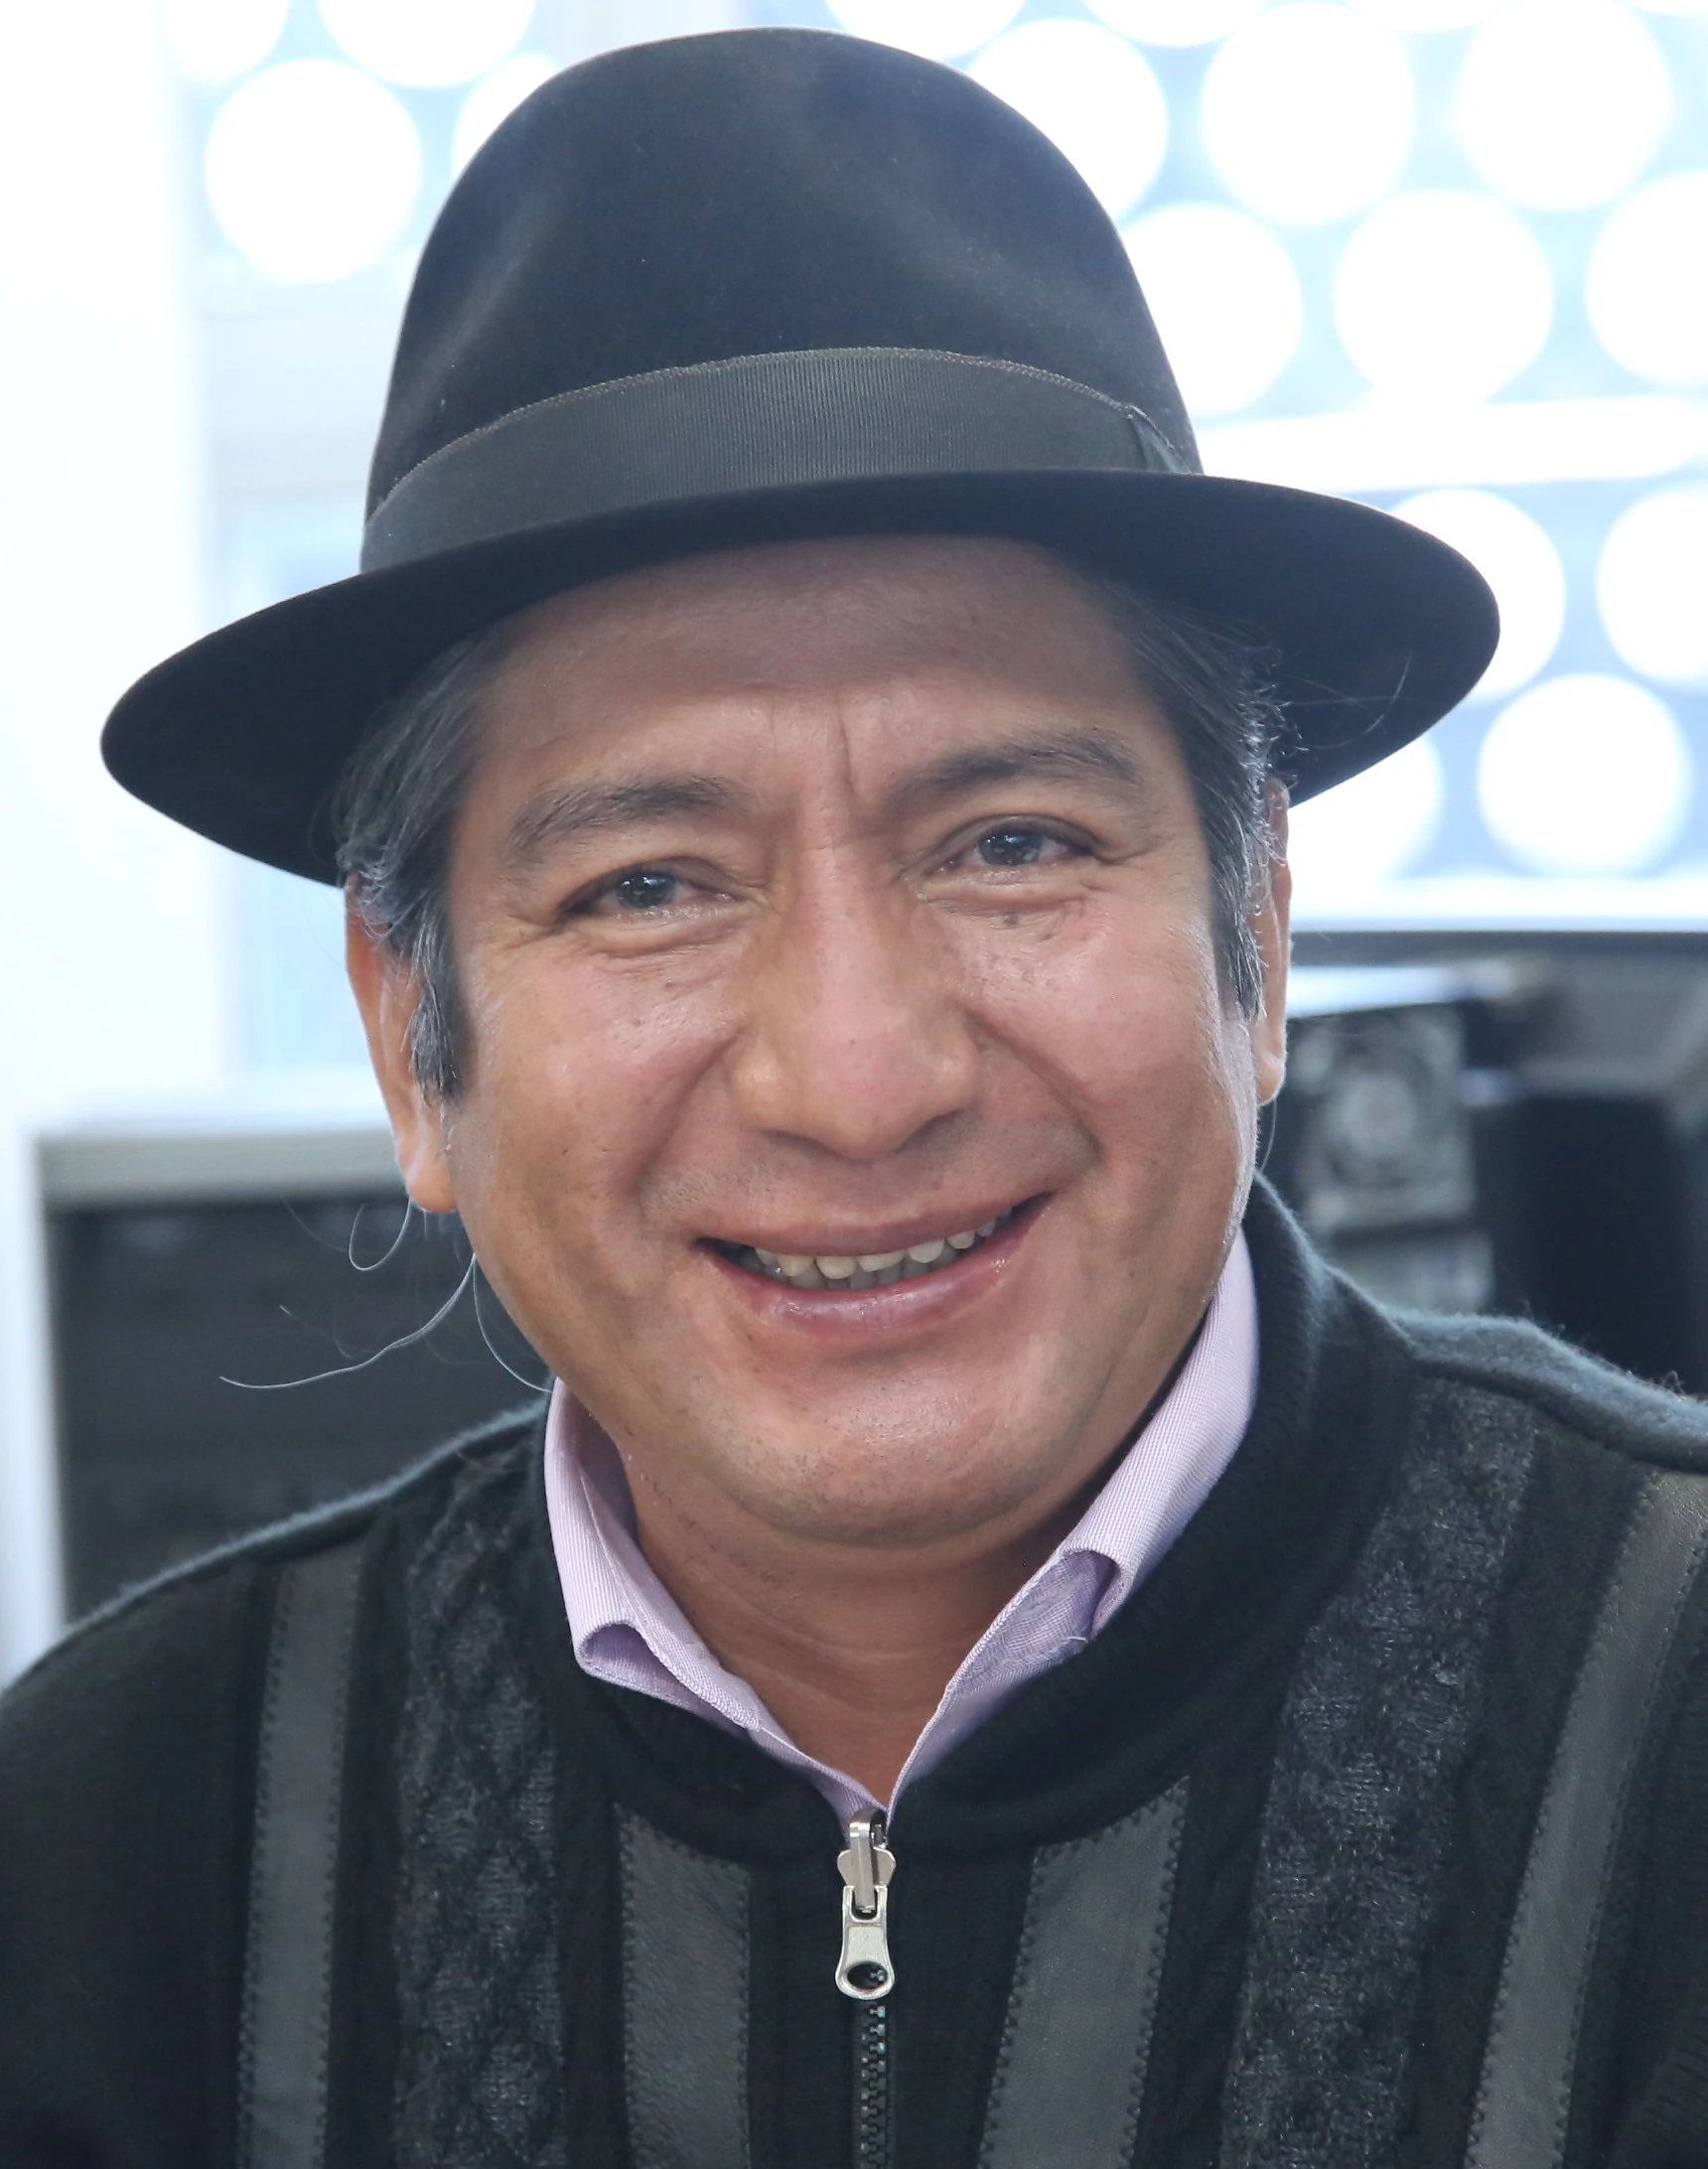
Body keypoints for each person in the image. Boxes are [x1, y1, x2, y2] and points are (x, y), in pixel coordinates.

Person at [3, 26, 1706, 2169]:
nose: (856, 1079)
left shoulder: (1667, 1712)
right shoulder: (124, 1844)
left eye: (1009, 844)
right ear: (407, 1034)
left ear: (1257, 938)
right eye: (648, 886)